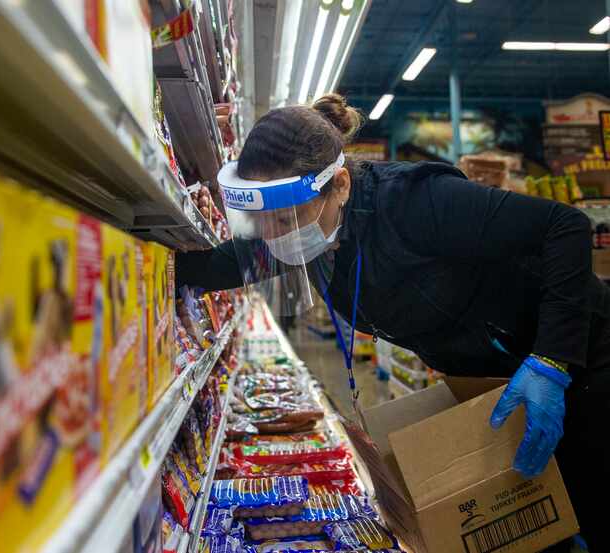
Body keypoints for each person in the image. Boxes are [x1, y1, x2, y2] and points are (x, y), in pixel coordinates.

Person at [176, 93, 609, 552]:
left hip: (579, 356)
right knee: (533, 523)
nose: (273, 235)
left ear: (339, 185)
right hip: (494, 381)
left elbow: (564, 227)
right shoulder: (309, 231)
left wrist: (551, 361)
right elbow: (225, 264)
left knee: (594, 498)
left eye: (285, 218)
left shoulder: (416, 201)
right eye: (263, 221)